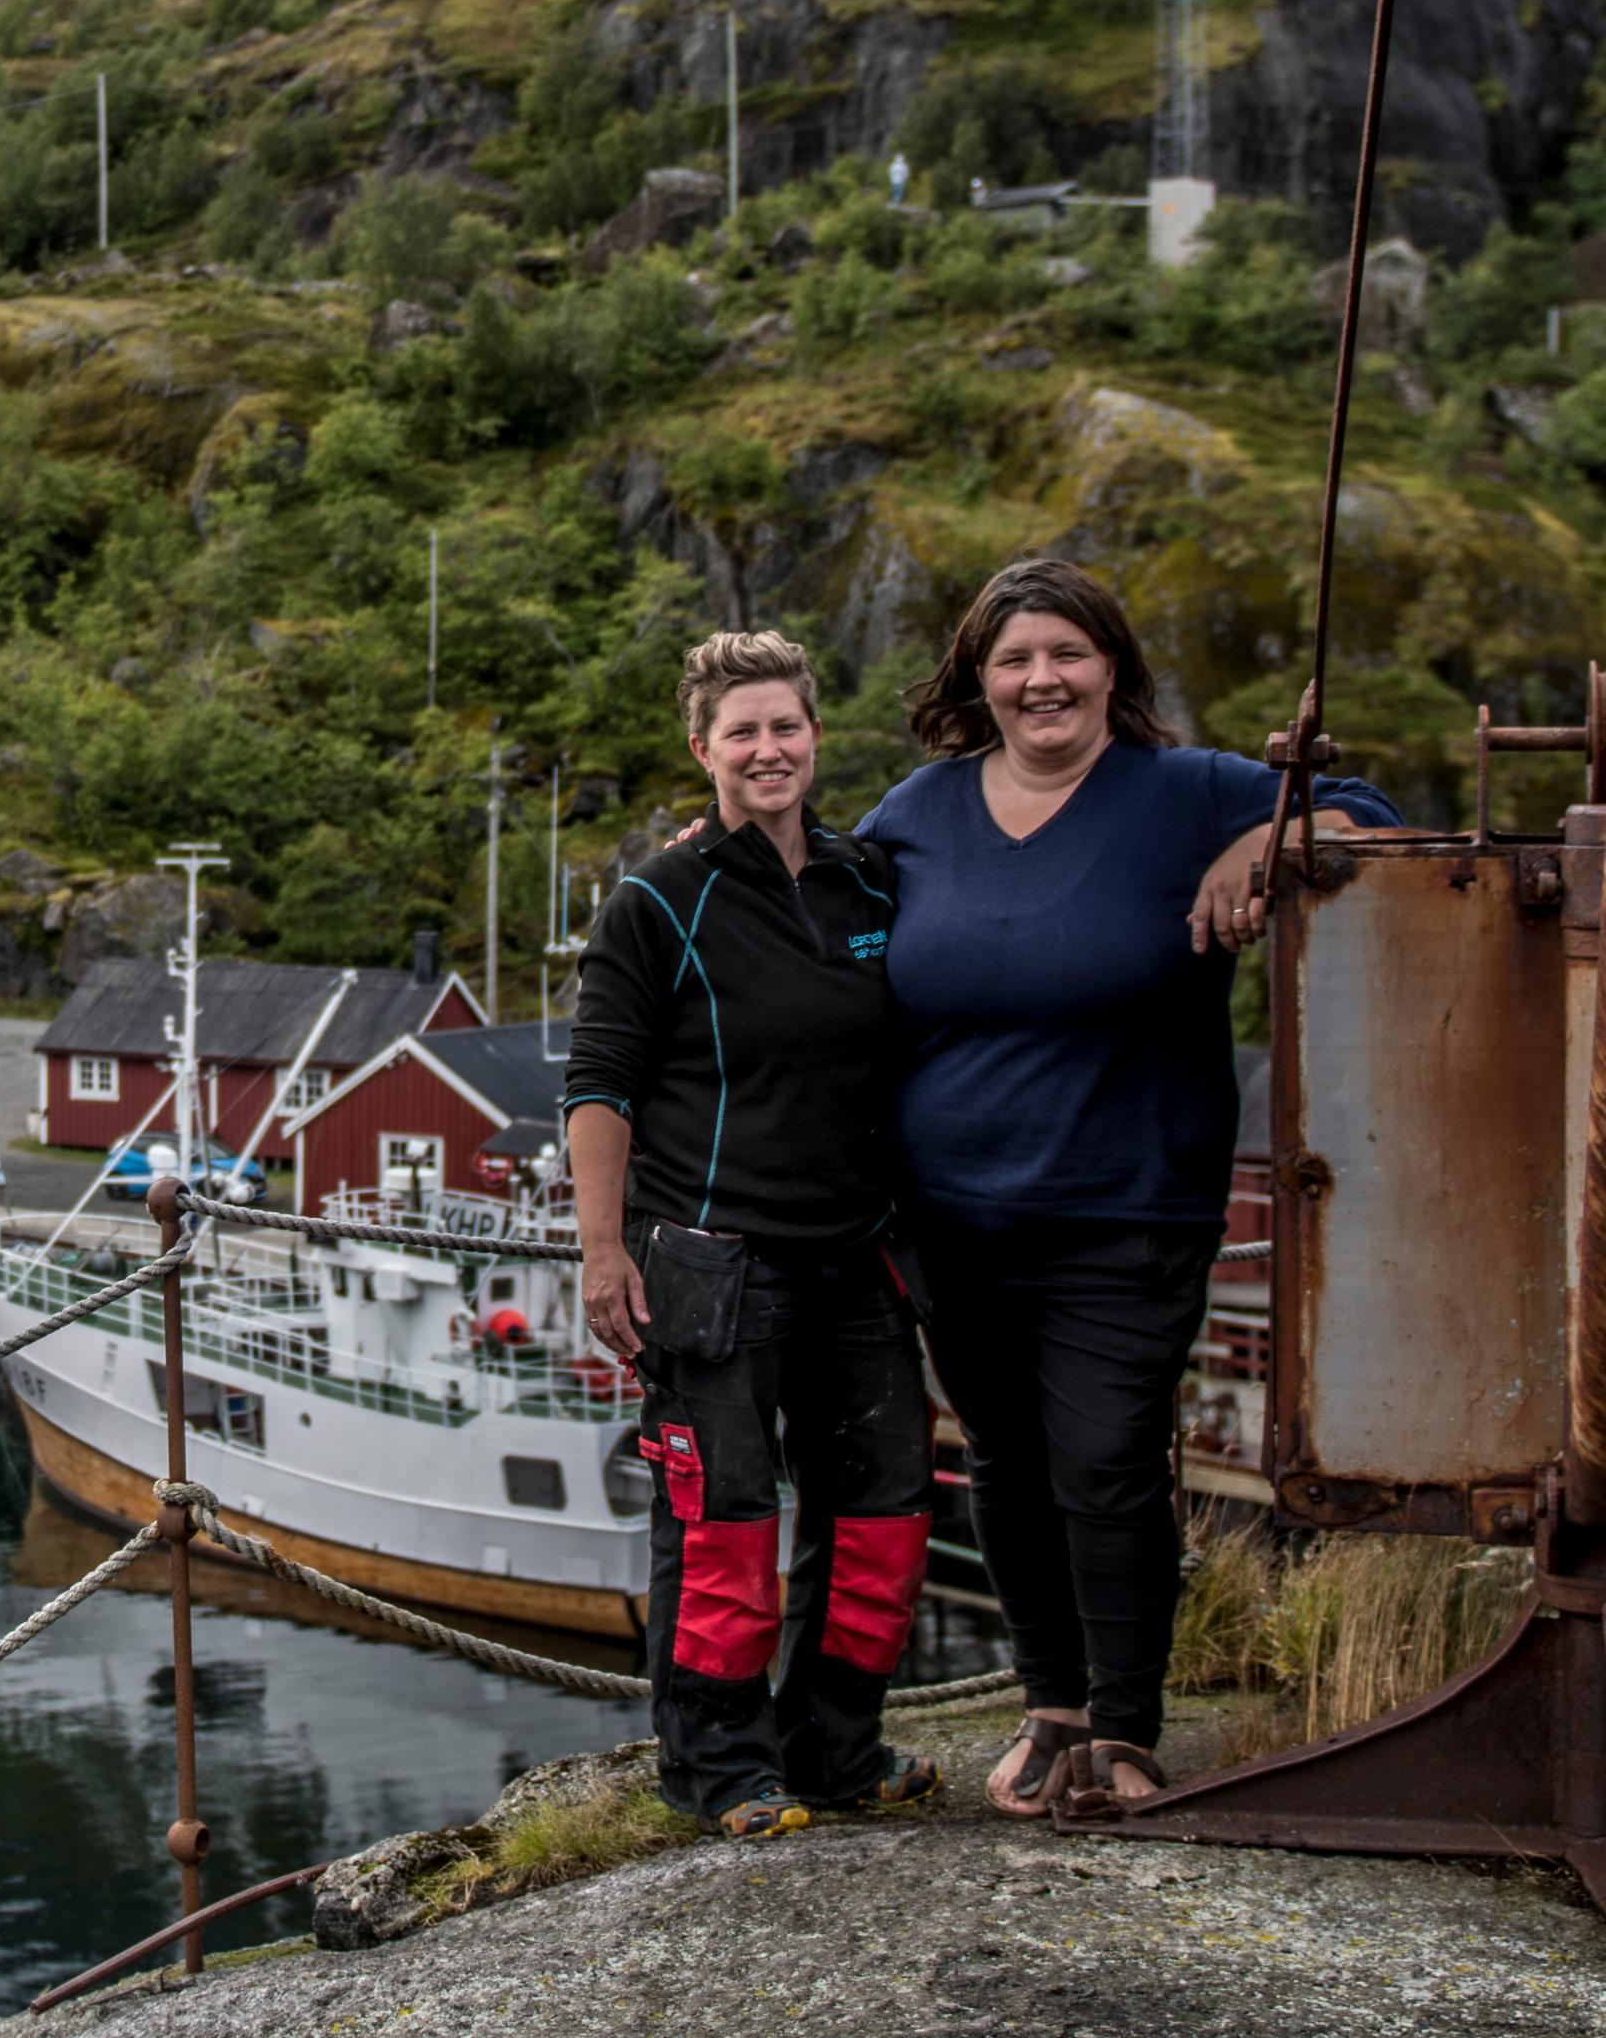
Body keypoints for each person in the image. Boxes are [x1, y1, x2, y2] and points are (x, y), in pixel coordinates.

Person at [855, 560, 1398, 1820]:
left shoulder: (1189, 791)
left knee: (1104, 1458)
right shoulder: (916, 813)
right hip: (948, 1213)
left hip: (1127, 1207)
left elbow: (1372, 815)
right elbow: (816, 910)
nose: (1041, 678)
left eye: (1067, 653)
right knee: (1004, 1459)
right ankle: (1051, 1706)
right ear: (976, 681)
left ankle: (1126, 1725)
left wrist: (1273, 834)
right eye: (1013, 659)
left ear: (1113, 668)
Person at [563, 630, 937, 1839]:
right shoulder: (657, 900)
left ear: (816, 735)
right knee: (724, 1523)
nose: (767, 749)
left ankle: (838, 1750)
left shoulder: (868, 880)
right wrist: (603, 1250)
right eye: (742, 732)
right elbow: (600, 1084)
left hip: (859, 1253)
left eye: (786, 727)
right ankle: (721, 1771)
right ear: (702, 749)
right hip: (713, 1263)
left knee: (881, 1513)